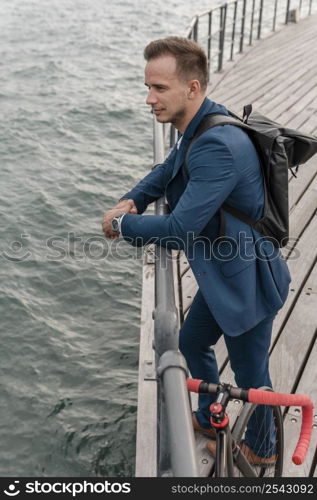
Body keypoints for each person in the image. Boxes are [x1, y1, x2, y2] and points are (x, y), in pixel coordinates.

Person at [102, 37, 291, 465]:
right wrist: (133, 199)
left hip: (246, 281)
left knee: (251, 375)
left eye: (160, 88)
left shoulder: (217, 144)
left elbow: (179, 227)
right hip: (223, 273)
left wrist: (120, 224)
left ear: (192, 87)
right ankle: (210, 415)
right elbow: (167, 169)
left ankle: (262, 448)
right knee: (191, 339)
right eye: (147, 86)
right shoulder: (201, 121)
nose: (149, 98)